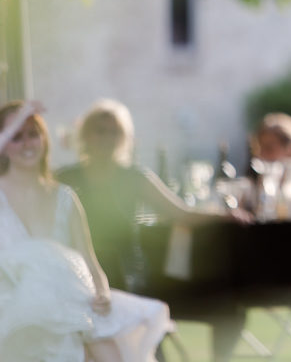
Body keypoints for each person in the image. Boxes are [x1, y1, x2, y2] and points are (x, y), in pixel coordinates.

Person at [55, 98, 247, 362]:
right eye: (100, 130)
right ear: (86, 135)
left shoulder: (135, 177)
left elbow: (181, 213)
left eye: (114, 131)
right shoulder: (64, 178)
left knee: (141, 344)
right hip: (76, 273)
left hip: (126, 272)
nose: (107, 137)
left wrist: (225, 215)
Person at [0, 100, 171, 362]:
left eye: (33, 134)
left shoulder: (64, 198)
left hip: (70, 305)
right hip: (14, 314)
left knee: (108, 352)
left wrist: (101, 292)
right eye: (15, 137)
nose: (26, 144)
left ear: (44, 139)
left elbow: (90, 263)